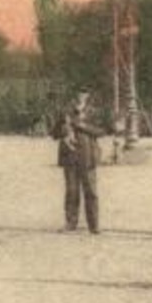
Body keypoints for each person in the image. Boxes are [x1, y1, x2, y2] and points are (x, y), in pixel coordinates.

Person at [51, 88, 104, 233]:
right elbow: (53, 134)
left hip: (88, 157)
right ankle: (70, 223)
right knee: (71, 191)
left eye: (84, 92)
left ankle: (94, 225)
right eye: (79, 92)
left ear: (88, 95)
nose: (81, 95)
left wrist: (83, 126)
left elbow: (102, 131)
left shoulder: (94, 112)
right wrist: (63, 129)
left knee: (91, 192)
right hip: (70, 157)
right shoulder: (65, 112)